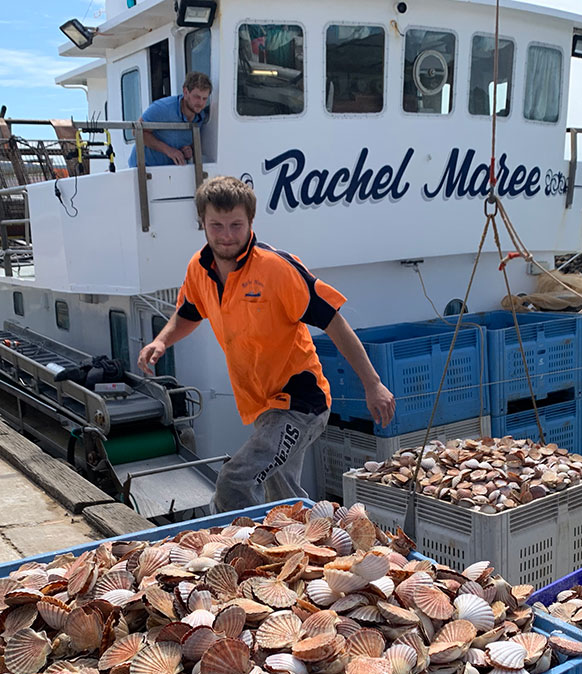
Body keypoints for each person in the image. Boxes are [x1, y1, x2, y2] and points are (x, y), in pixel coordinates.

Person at [137, 175, 395, 512]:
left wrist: (373, 384)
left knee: (236, 480)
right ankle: (303, 546)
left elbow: (335, 322)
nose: (227, 236)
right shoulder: (199, 269)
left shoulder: (276, 268)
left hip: (300, 403)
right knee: (284, 499)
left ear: (250, 222)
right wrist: (161, 340)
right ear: (202, 222)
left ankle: (242, 557)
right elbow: (189, 312)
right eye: (217, 225)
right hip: (262, 405)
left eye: (236, 225)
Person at [128, 71, 211, 168]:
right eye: (196, 97)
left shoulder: (201, 117)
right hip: (143, 169)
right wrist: (169, 151)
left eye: (204, 98)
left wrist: (188, 150)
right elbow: (136, 131)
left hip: (170, 171)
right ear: (185, 92)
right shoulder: (162, 108)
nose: (200, 103)